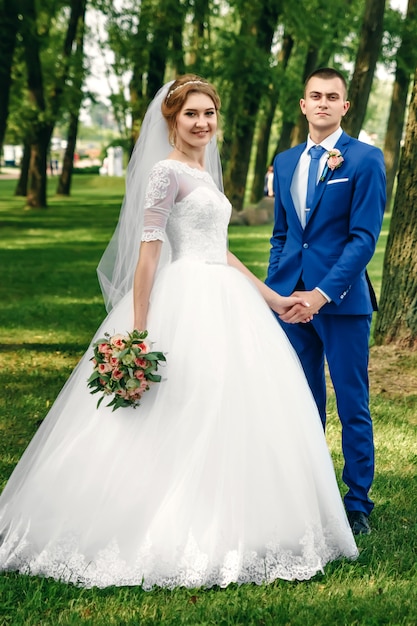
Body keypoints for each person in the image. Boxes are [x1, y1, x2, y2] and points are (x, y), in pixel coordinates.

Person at [0, 74, 358, 590]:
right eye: (191, 114)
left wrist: (274, 297)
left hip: (226, 295)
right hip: (185, 297)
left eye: (209, 113)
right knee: (183, 407)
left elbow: (220, 248)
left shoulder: (203, 173)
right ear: (172, 119)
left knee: (232, 408)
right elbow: (148, 257)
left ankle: (240, 515)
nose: (202, 122)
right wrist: (138, 333)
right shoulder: (166, 174)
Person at [266, 67, 386, 536]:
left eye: (331, 97)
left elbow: (363, 239)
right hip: (289, 303)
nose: (322, 103)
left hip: (341, 303)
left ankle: (357, 503)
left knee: (352, 403)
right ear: (303, 104)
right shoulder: (285, 160)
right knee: (300, 399)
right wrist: (280, 291)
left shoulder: (365, 159)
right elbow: (283, 234)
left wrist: (320, 294)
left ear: (344, 106)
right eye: (314, 95)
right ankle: (308, 493)